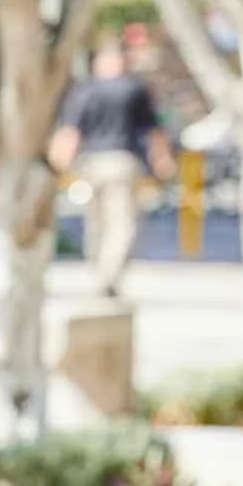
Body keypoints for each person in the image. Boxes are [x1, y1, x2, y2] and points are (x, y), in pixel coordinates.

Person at [48, 41, 175, 298]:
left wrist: (58, 165)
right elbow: (153, 131)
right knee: (122, 224)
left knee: (97, 223)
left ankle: (100, 272)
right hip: (122, 162)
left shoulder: (84, 90)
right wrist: (163, 161)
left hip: (90, 164)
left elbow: (70, 133)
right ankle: (109, 275)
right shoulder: (134, 89)